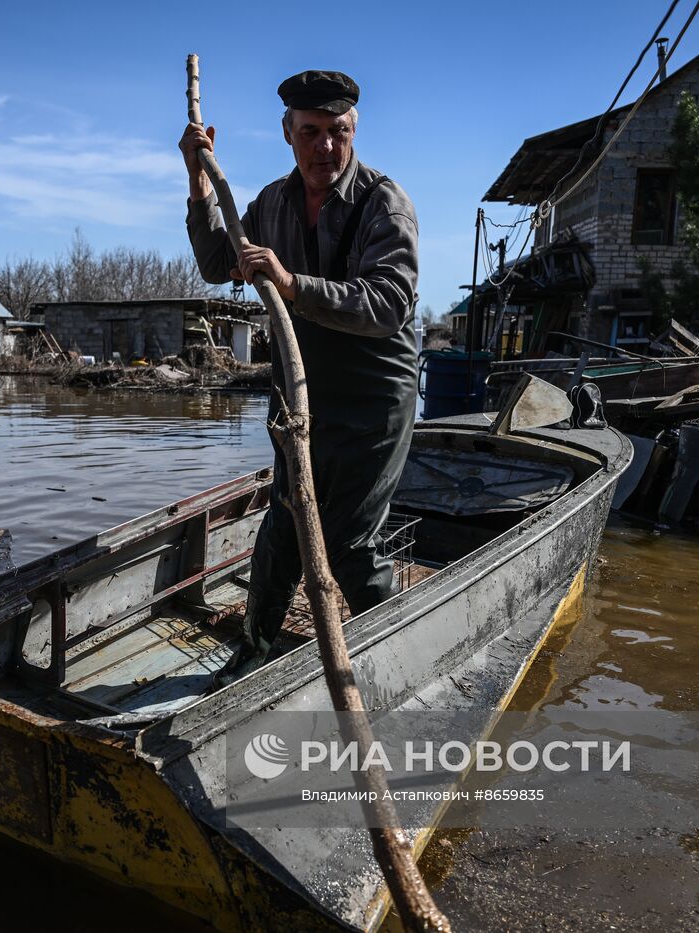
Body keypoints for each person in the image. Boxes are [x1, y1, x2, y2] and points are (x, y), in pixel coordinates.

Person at [179, 69, 420, 686]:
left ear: (353, 130)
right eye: (310, 133)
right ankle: (256, 650)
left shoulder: (382, 203)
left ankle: (404, 658)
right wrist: (198, 177)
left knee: (348, 543)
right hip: (299, 389)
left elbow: (388, 304)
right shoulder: (272, 204)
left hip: (373, 396)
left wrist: (290, 284)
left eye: (337, 133)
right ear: (288, 134)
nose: (325, 149)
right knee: (283, 523)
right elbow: (214, 264)